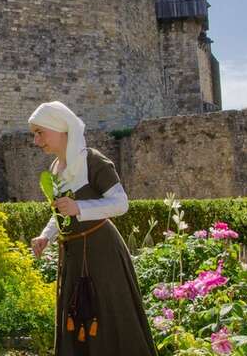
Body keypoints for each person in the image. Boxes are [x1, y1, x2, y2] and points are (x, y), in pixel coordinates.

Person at [29, 101, 156, 356]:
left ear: (60, 129)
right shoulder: (55, 168)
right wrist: (46, 236)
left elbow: (120, 204)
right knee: (75, 317)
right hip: (74, 255)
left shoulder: (92, 160)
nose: (36, 140)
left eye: (40, 132)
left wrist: (80, 208)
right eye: (35, 134)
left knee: (109, 316)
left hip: (103, 253)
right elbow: (60, 212)